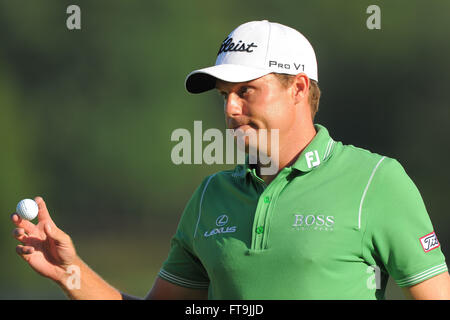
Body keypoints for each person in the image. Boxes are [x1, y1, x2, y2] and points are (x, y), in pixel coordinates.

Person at [11, 20, 450, 300]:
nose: (230, 110)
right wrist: (72, 274)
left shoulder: (377, 181)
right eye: (225, 96)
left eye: (246, 91)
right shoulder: (210, 197)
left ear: (298, 89)